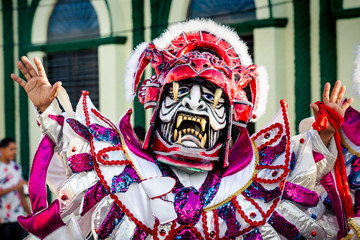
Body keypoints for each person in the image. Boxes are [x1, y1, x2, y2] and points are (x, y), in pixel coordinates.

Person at [10, 19, 360, 239]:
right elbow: (77, 154)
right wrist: (48, 105)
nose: (194, 105)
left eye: (210, 97)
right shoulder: (121, 173)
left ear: (233, 116)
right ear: (155, 102)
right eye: (179, 92)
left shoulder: (256, 183)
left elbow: (299, 174)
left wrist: (324, 134)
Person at [0, 138, 30, 239]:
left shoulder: (16, 167)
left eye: (15, 149)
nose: (14, 152)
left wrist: (30, 214)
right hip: (3, 220)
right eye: (11, 149)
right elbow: (17, 187)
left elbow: (20, 193)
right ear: (2, 150)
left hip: (18, 217)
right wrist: (15, 187)